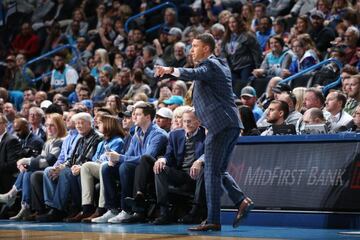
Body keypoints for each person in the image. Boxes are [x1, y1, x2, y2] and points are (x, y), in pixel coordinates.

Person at [155, 33, 253, 231]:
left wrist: (170, 70)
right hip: (228, 123)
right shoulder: (217, 64)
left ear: (206, 48)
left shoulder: (211, 65)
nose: (191, 50)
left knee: (210, 172)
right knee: (217, 171)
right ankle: (240, 200)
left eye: (194, 46)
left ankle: (213, 220)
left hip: (220, 125)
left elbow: (192, 73)